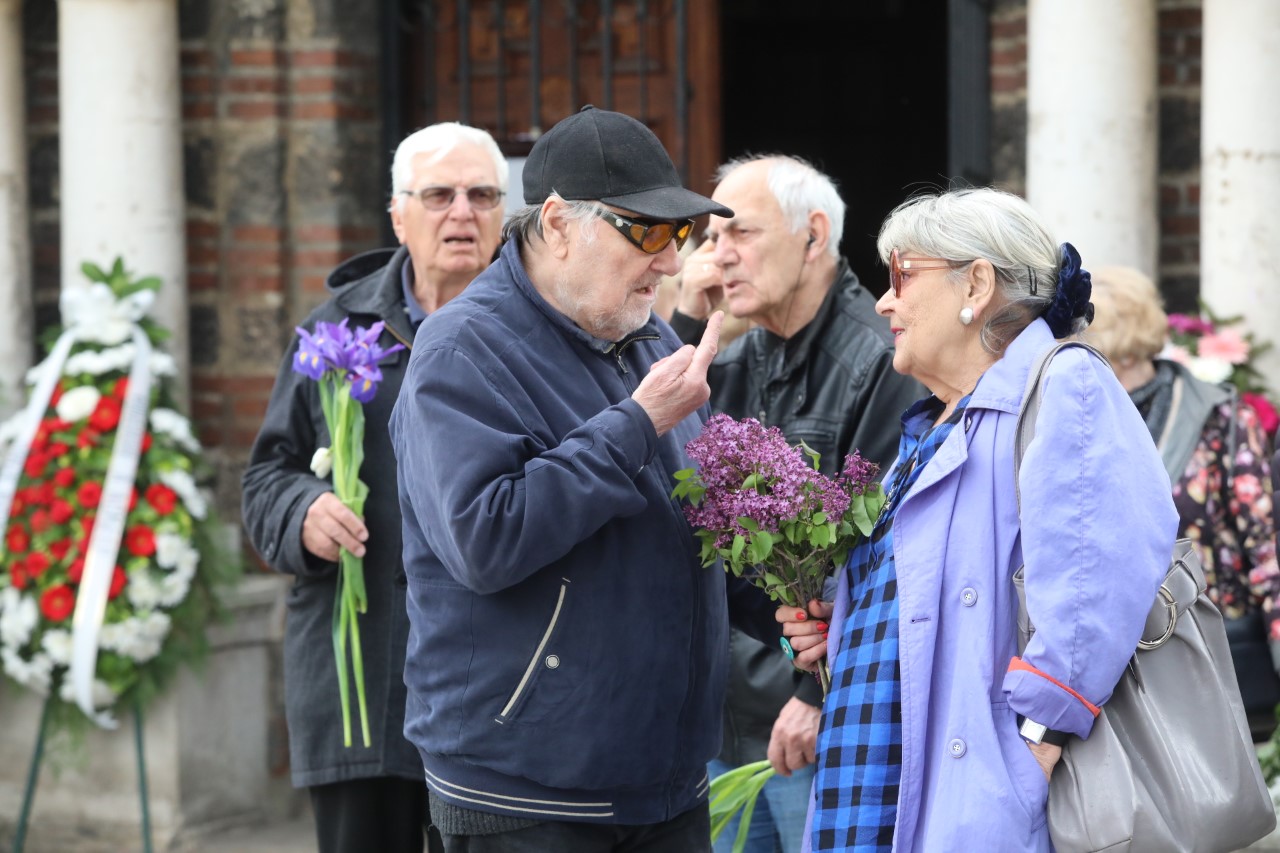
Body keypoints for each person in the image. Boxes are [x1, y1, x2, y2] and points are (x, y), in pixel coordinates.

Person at [389, 105, 783, 853]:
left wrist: (789, 602)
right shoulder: (461, 349)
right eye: (646, 231)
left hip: (662, 780)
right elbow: (485, 538)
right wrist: (637, 422)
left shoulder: (645, 335)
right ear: (560, 223)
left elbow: (688, 525)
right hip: (527, 793)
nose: (669, 262)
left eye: (677, 234)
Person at [781, 188, 1178, 852]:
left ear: (978, 281)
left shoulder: (1063, 385)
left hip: (975, 794)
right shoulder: (930, 425)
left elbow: (1097, 583)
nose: (884, 302)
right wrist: (839, 625)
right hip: (879, 772)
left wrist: (1033, 748)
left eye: (903, 275)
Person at [241, 121, 507, 853]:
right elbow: (267, 474)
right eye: (439, 194)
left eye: (482, 194)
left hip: (500, 688)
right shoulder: (335, 329)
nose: (462, 212)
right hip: (362, 678)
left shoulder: (535, 330)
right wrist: (303, 512)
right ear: (398, 213)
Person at [669, 154, 923, 853]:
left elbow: (882, 558)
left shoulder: (878, 359)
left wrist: (815, 696)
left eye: (739, 234)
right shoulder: (740, 356)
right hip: (722, 712)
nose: (718, 255)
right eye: (711, 239)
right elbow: (663, 470)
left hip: (817, 719)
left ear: (813, 235)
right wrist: (689, 322)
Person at [1087, 266, 1280, 735]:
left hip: (1214, 656)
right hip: (1117, 666)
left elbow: (1265, 548)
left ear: (1120, 344)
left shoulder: (1220, 419)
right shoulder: (1082, 419)